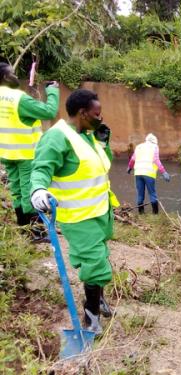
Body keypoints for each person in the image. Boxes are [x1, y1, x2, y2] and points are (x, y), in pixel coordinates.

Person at [30, 89, 119, 334]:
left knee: (99, 256)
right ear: (82, 113)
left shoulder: (87, 135)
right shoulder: (57, 137)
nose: (101, 118)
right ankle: (90, 317)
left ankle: (98, 298)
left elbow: (103, 165)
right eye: (97, 114)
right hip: (79, 216)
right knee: (95, 263)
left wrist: (102, 143)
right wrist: (38, 189)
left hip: (100, 211)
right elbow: (41, 167)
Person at [0, 62, 59, 241]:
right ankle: (36, 233)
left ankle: (23, 228)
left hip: (6, 153)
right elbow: (49, 112)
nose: (16, 77)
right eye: (12, 74)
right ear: (4, 77)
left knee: (17, 191)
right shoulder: (18, 99)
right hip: (25, 154)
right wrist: (53, 92)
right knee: (29, 192)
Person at [127, 133, 171, 214]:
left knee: (140, 195)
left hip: (138, 173)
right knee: (152, 194)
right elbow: (156, 160)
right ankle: (155, 215)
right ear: (155, 142)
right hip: (149, 173)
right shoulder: (154, 147)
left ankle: (141, 214)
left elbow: (133, 159)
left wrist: (129, 167)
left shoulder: (139, 146)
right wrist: (164, 172)